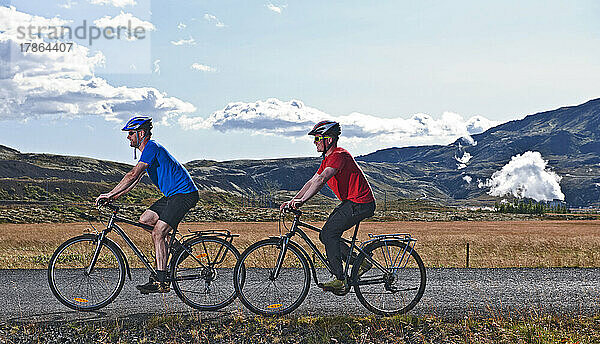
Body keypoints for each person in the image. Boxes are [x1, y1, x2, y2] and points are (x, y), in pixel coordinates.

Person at [95, 116, 199, 294]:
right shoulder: (148, 151)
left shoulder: (151, 147)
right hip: (173, 195)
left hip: (184, 194)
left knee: (158, 232)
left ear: (141, 133)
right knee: (145, 220)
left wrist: (109, 193)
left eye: (131, 133)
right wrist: (115, 196)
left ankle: (161, 281)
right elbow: (136, 180)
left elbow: (133, 175)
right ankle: (177, 249)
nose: (128, 137)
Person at [280, 120, 376, 293]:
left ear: (329, 140)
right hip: (352, 202)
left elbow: (322, 180)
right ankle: (360, 262)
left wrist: (301, 202)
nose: (315, 142)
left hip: (361, 203)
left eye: (317, 138)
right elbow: (312, 181)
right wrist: (293, 200)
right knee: (326, 236)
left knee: (329, 234)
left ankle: (340, 279)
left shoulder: (339, 155)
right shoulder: (328, 158)